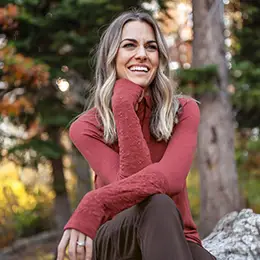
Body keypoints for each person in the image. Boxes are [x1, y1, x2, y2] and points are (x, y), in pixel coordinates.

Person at [57, 10, 216, 260]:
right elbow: (136, 195)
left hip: (175, 235)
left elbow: (170, 179)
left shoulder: (184, 110)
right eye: (129, 45)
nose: (141, 54)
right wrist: (122, 103)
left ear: (159, 58)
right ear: (112, 57)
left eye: (150, 47)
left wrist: (96, 201)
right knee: (158, 204)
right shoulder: (86, 127)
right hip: (118, 241)